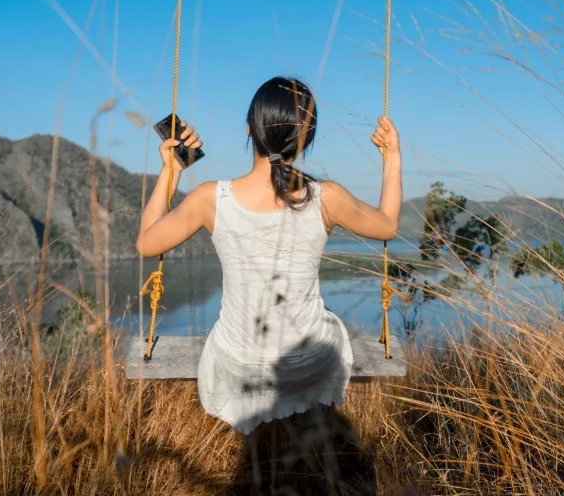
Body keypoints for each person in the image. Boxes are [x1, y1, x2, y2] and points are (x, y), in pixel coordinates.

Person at [135, 76, 402, 435]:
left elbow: (146, 244)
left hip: (238, 366)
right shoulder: (327, 197)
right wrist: (392, 158)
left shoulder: (211, 198)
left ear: (250, 130)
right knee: (327, 325)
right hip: (309, 364)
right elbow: (387, 225)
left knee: (227, 339)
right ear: (308, 136)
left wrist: (171, 172)